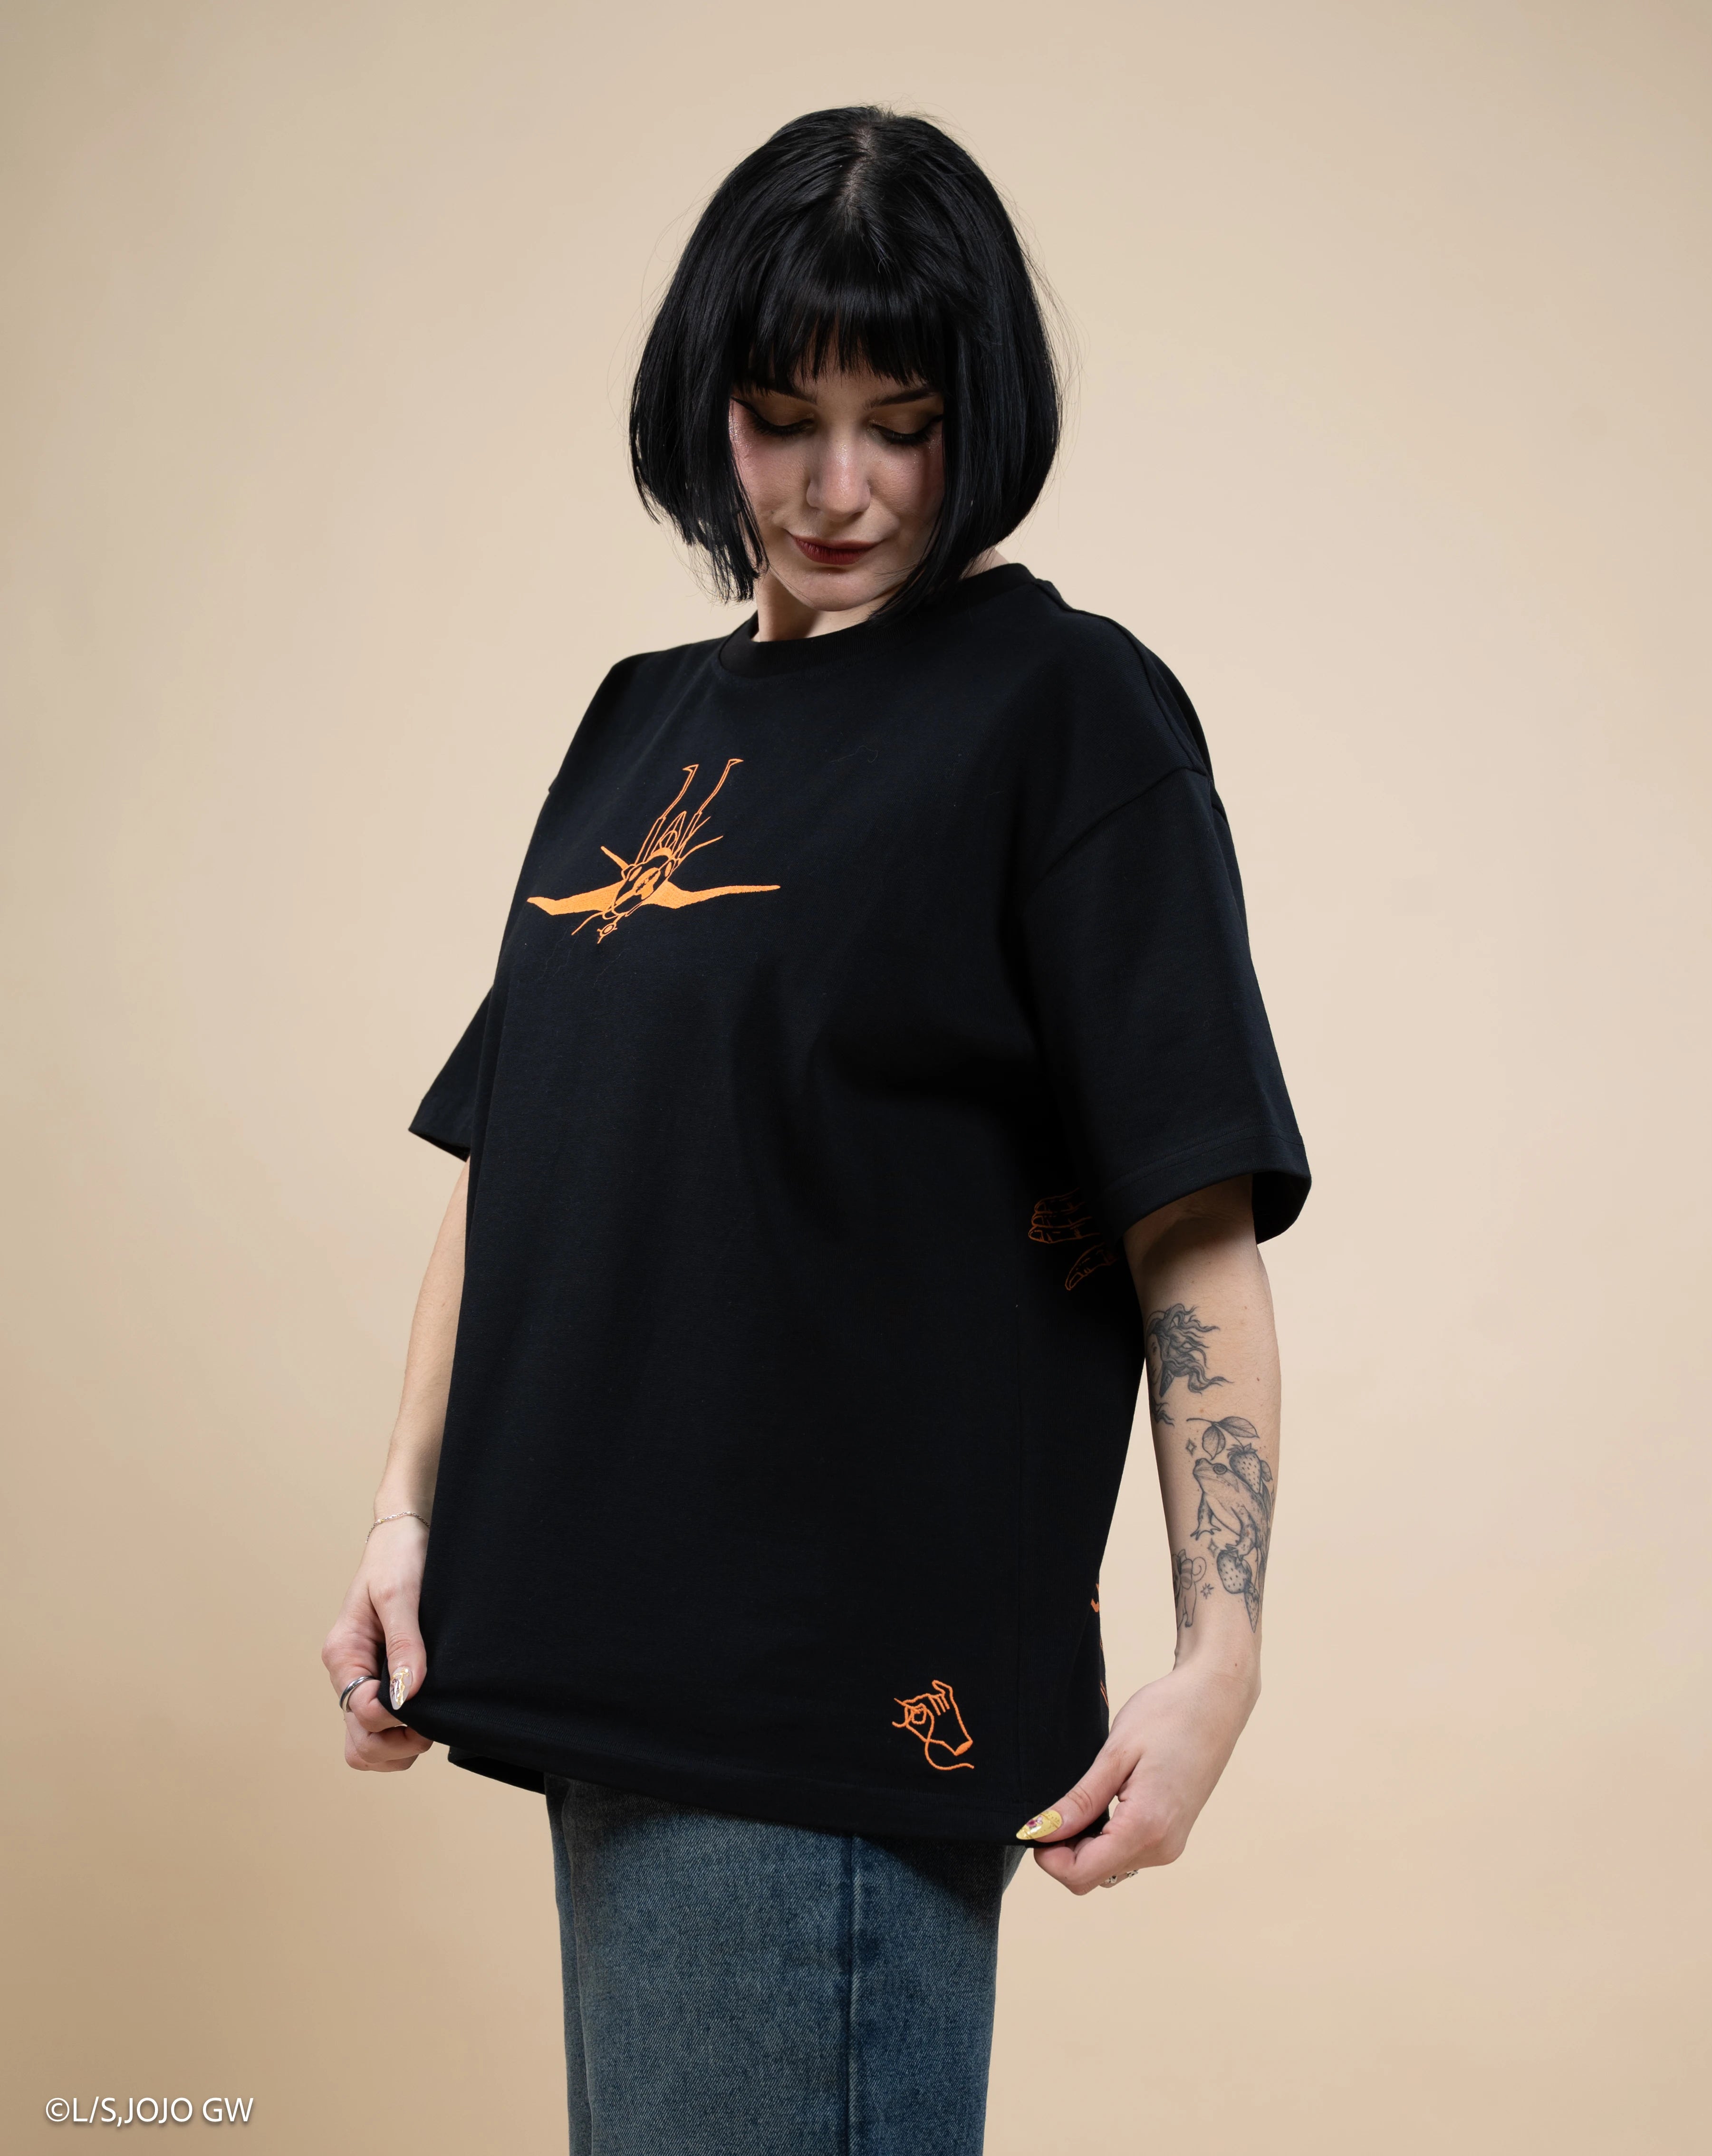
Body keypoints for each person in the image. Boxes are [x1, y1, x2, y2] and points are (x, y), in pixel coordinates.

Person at [323, 105, 1308, 2156]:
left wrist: (1219, 1648)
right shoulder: (639, 726)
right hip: (593, 1686)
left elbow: (1189, 1217)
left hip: (832, 1730)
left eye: (902, 424)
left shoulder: (1064, 715)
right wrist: (407, 1519)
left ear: (980, 421)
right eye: (784, 419)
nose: (838, 487)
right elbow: (515, 1161)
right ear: (710, 408)